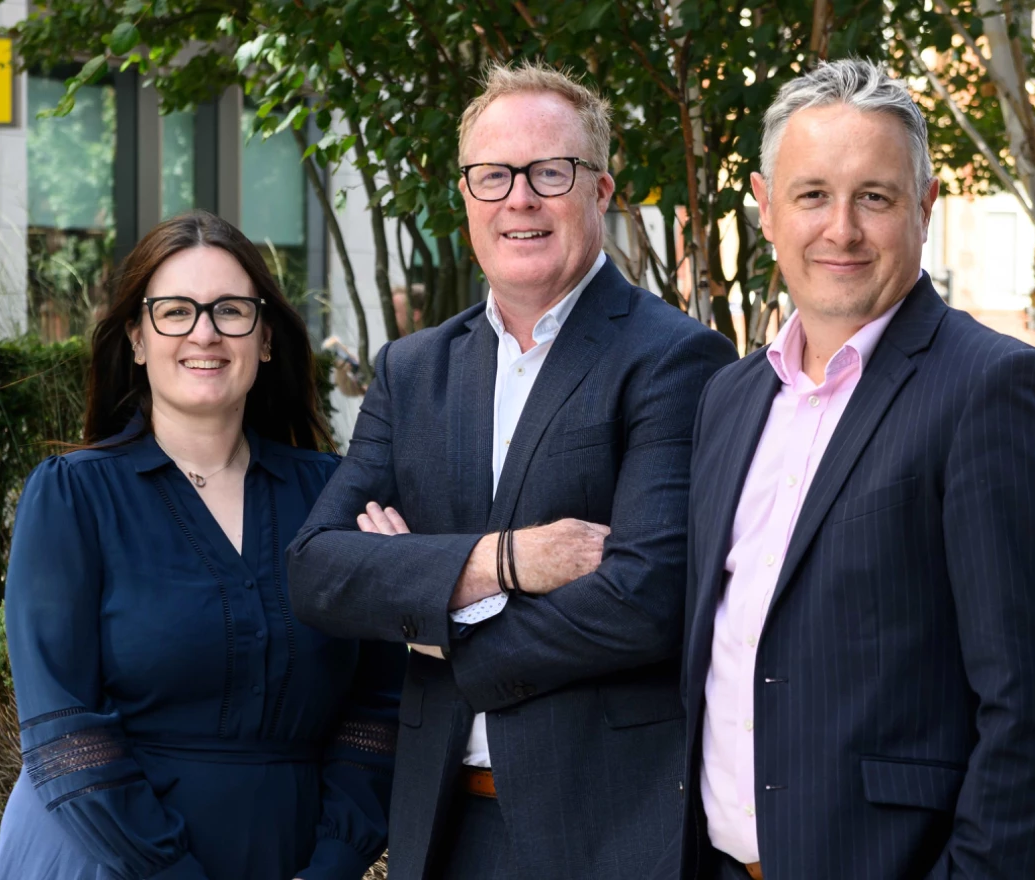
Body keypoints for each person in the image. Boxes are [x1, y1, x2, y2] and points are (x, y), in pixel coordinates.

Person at [286, 63, 736, 880]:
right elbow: (317, 570)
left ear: (600, 191)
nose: (518, 198)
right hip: (443, 826)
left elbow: (645, 601)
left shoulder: (675, 360)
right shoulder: (413, 370)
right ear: (466, 197)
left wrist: (430, 615)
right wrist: (504, 563)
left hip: (609, 829)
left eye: (549, 172)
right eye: (492, 175)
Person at [673, 60, 1035, 880]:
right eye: (811, 196)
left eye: (875, 196)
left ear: (925, 208)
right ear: (764, 209)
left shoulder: (995, 391)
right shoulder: (729, 400)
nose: (841, 229)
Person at [0, 211, 403, 880]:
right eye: (176, 311)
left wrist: (334, 862)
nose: (205, 333)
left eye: (231, 310)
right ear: (135, 337)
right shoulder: (71, 499)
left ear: (266, 338)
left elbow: (379, 705)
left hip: (290, 860)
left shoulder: (332, 498)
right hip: (107, 859)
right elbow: (63, 731)